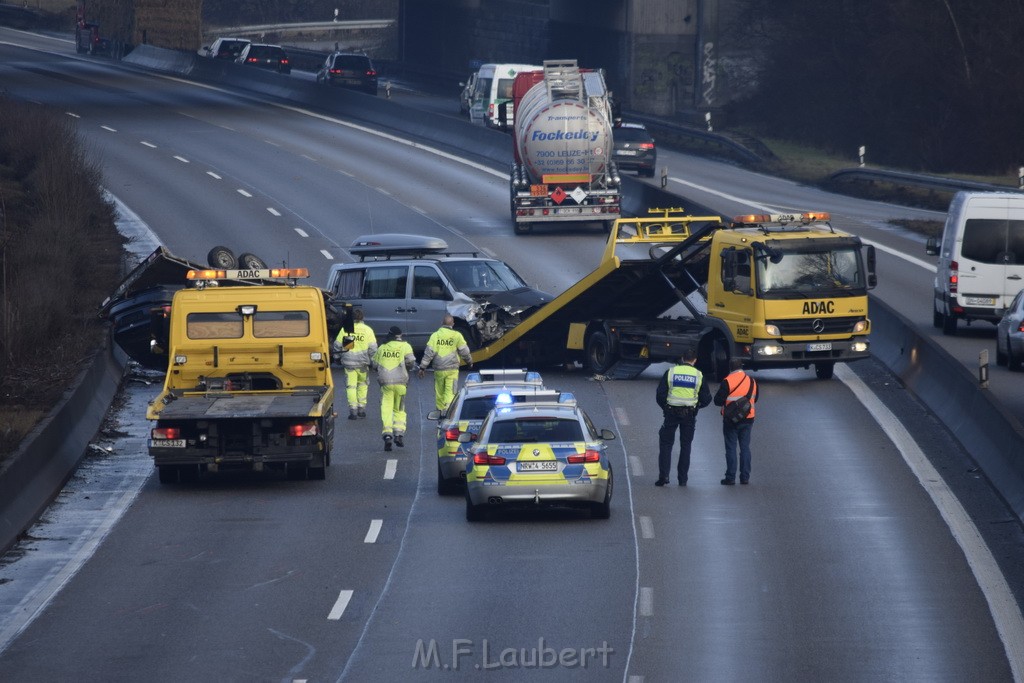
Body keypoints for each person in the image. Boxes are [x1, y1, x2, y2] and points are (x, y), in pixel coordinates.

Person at [655, 347, 711, 486]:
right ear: (695, 360)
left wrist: (666, 407)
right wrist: (696, 406)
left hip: (671, 413)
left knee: (666, 444)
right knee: (686, 446)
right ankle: (683, 479)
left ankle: (664, 477)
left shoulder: (671, 372)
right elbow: (707, 398)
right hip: (689, 414)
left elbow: (660, 395)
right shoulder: (699, 375)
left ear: (682, 358)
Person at [713, 358, 759, 485]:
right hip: (748, 418)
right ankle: (745, 477)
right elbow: (755, 399)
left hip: (730, 420)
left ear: (730, 368)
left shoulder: (727, 381)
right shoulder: (752, 381)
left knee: (731, 448)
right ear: (741, 367)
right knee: (745, 447)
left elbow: (717, 401)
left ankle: (730, 477)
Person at [371, 326, 416, 451]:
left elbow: (374, 364)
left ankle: (387, 435)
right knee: (399, 409)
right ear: (400, 335)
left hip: (386, 383)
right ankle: (399, 434)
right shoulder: (405, 346)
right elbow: (411, 362)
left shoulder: (382, 348)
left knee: (386, 409)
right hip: (401, 382)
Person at [418, 314, 472, 412]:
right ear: (453, 324)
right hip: (452, 370)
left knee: (439, 393)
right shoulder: (457, 335)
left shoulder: (435, 336)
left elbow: (428, 353)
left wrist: (422, 368)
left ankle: (439, 412)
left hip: (439, 369)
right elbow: (464, 351)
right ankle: (448, 412)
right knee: (450, 392)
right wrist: (469, 362)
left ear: (442, 323)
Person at [333, 308, 377, 420]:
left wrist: (337, 358)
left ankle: (353, 411)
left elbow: (338, 345)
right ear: (362, 318)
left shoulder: (346, 330)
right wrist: (374, 363)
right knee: (363, 385)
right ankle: (361, 410)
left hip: (349, 363)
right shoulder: (368, 330)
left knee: (351, 387)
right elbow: (373, 349)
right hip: (363, 364)